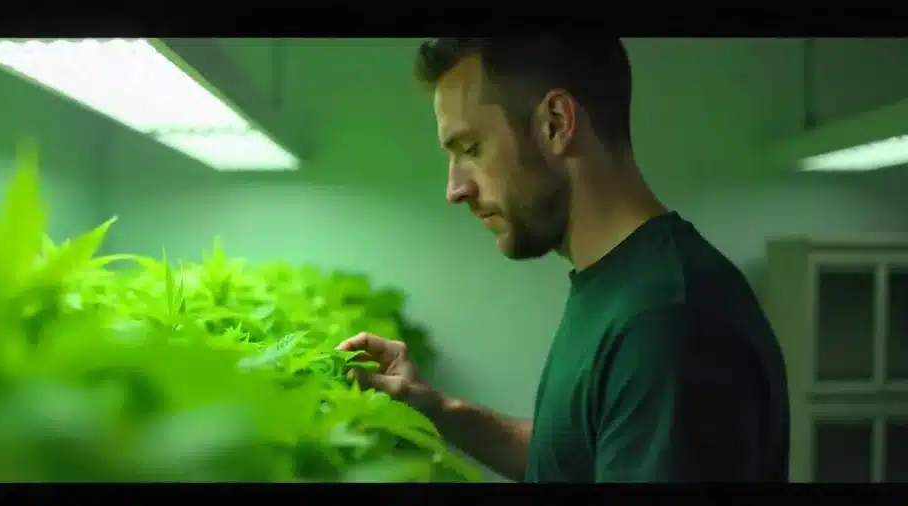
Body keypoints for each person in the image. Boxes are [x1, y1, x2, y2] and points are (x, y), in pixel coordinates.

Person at [336, 37, 790, 483]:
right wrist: (437, 409)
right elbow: (576, 453)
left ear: (556, 123)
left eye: (471, 148)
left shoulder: (664, 322)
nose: (455, 189)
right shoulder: (617, 285)